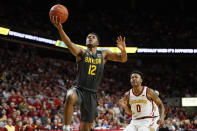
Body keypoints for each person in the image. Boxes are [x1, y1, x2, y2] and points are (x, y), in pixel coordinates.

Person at [50, 16, 127, 131]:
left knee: (86, 127)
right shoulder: (81, 52)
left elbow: (123, 59)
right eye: (88, 37)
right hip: (79, 89)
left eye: (93, 37)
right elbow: (68, 43)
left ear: (98, 42)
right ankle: (66, 128)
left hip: (92, 93)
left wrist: (123, 50)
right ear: (86, 42)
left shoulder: (104, 54)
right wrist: (60, 29)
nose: (90, 38)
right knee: (70, 96)